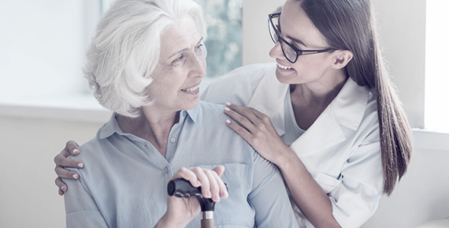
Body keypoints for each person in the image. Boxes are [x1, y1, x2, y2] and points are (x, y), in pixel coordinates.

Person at [55, 0, 413, 227]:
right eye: (279, 33)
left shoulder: (369, 126)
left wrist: (283, 156)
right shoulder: (238, 94)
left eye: (294, 47)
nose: (275, 51)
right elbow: (154, 107)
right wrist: (90, 160)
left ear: (339, 58)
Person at [60, 0, 298, 227]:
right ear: (134, 70)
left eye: (198, 48)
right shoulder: (85, 170)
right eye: (180, 58)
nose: (201, 69)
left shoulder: (244, 133)